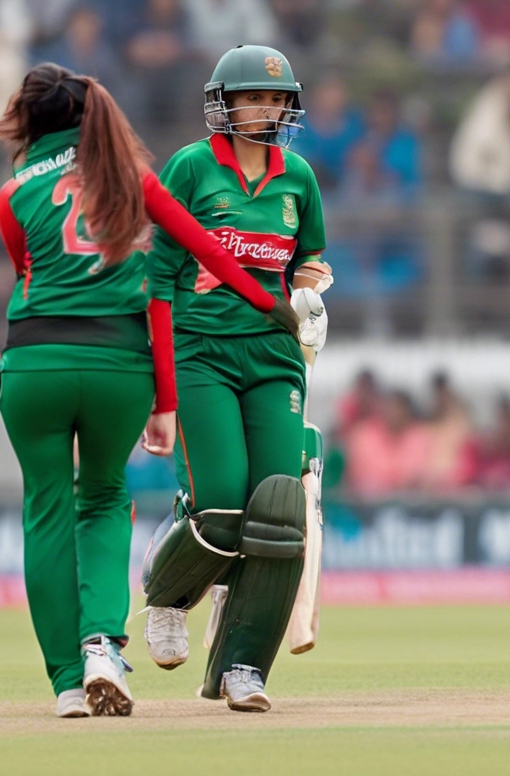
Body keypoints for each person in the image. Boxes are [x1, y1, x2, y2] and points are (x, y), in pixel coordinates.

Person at [0, 62, 299, 719]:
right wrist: (267, 302)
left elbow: (25, 270)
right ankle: (104, 644)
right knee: (102, 498)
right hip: (117, 362)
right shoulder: (135, 179)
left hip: (34, 361)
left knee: (47, 510)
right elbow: (205, 250)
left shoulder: (13, 190)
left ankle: (68, 684)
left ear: (30, 123)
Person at [140, 44, 329, 713]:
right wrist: (156, 377)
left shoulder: (298, 176)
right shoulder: (192, 167)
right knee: (221, 505)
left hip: (273, 356)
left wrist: (309, 300)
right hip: (202, 353)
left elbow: (308, 261)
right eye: (254, 97)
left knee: (277, 512)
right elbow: (158, 276)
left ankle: (243, 666)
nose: (267, 109)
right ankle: (166, 594)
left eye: (277, 99)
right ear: (224, 104)